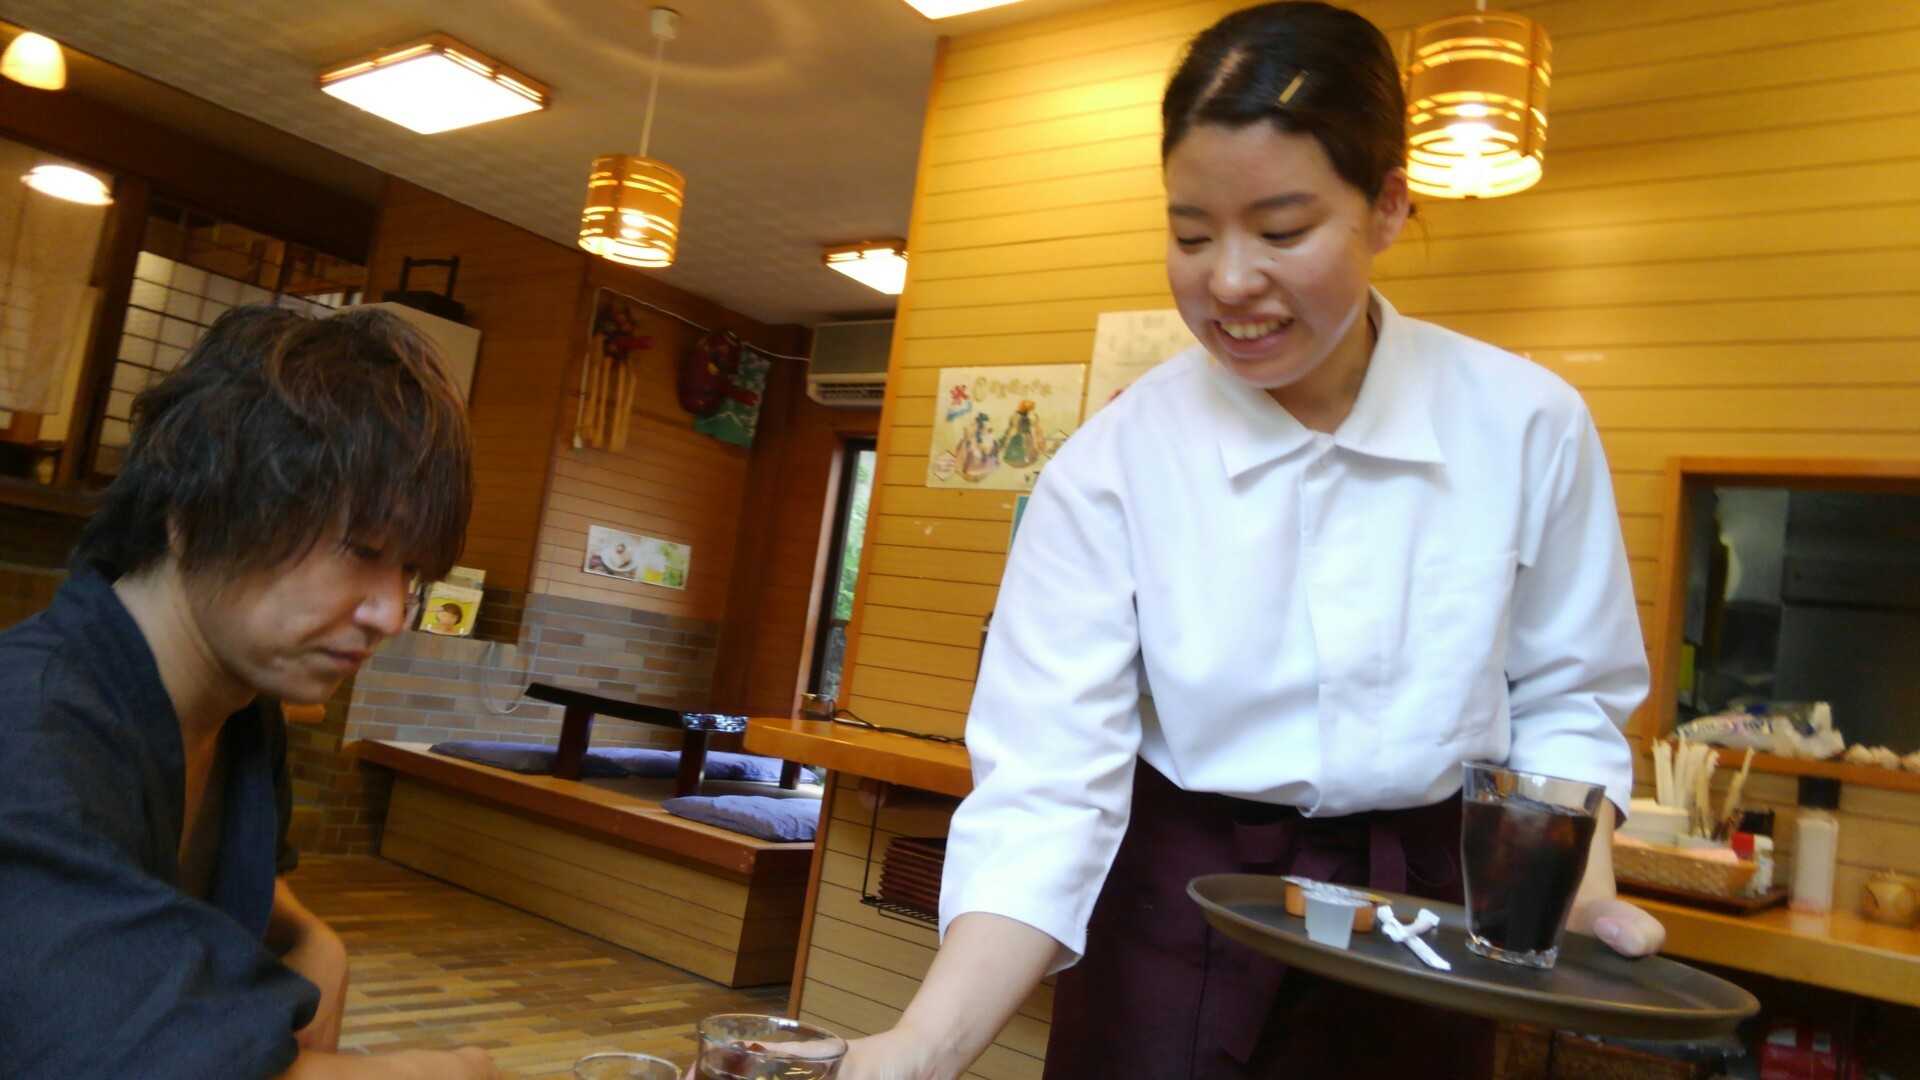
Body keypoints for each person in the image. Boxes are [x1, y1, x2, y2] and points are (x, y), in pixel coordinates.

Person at [840, 5, 1665, 1078]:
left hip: (1422, 914)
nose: (1228, 281)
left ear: (1388, 206)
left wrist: (1573, 885)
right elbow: (1047, 788)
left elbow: (1566, 697)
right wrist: (921, 1046)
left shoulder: (1524, 424)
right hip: (1172, 901)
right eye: (1192, 235)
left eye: (1281, 231)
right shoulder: (1113, 465)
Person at [0, 305, 501, 1079]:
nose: (391, 614)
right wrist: (458, 1070)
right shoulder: (30, 730)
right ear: (196, 510)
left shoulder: (242, 709)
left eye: (410, 572)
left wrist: (310, 937)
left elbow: (233, 884)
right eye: (361, 549)